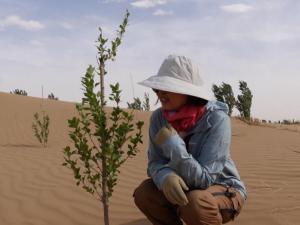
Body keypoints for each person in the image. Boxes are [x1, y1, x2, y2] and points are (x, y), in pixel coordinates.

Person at [133, 55, 247, 225]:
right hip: (185, 186)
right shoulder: (158, 118)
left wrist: (173, 145)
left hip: (223, 187)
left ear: (188, 92)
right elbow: (155, 163)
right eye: (157, 88)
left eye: (167, 87)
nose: (160, 93)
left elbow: (205, 179)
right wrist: (165, 177)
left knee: (196, 203)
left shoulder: (217, 119)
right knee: (145, 193)